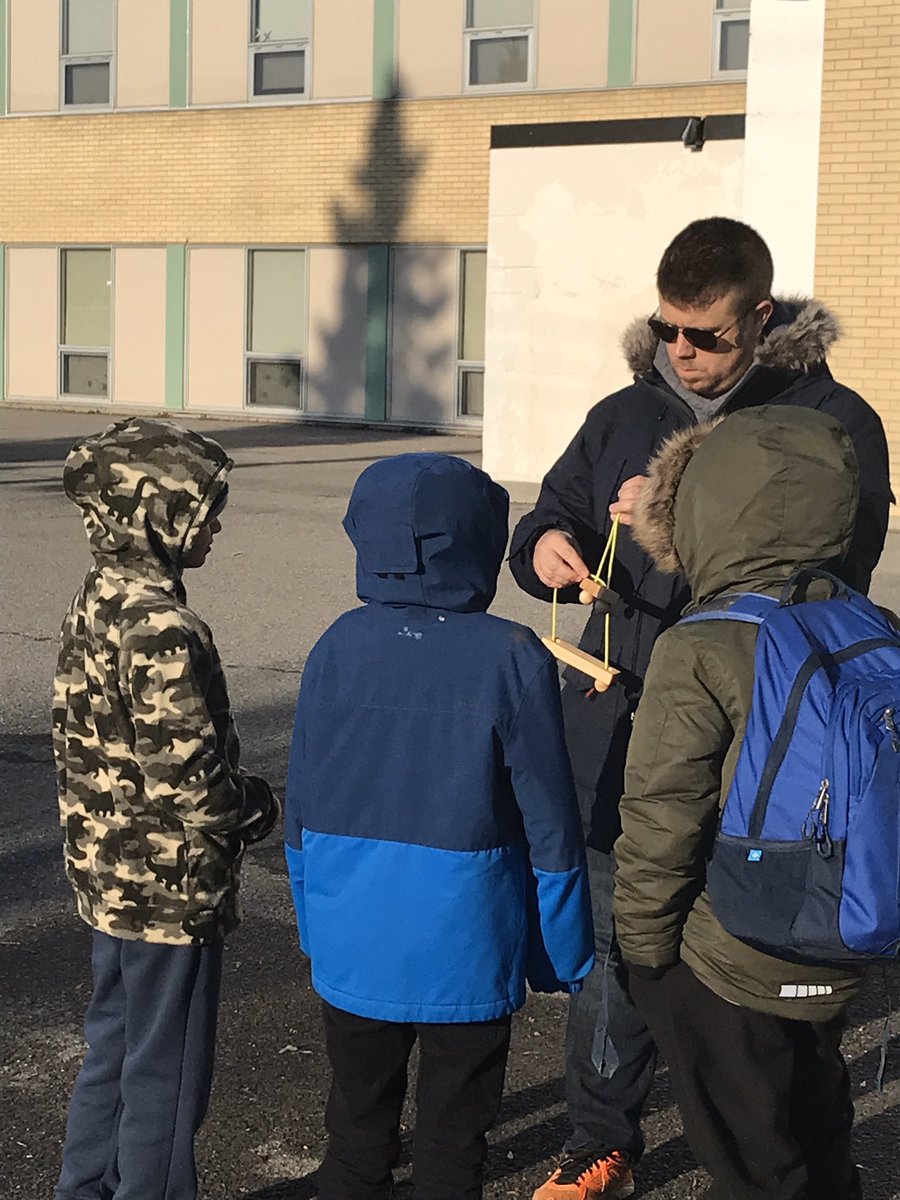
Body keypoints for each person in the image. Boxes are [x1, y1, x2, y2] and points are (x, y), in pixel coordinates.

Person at [510, 218, 891, 1200]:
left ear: (760, 317)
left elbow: (831, 584)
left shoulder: (831, 421)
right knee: (620, 957)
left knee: (781, 983)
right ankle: (599, 1142)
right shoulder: (621, 414)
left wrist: (683, 519)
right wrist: (548, 545)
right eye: (669, 330)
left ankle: (805, 1163)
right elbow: (547, 515)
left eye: (709, 335)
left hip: (773, 758)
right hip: (620, 732)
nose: (685, 352)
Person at [284, 453, 594, 1200]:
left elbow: (301, 806)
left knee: (355, 1128)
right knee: (454, 1140)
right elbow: (549, 816)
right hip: (467, 937)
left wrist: (312, 921)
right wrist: (559, 953)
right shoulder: (509, 654)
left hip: (353, 931)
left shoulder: (337, 645)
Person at [615, 405, 869, 1200]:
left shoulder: (701, 643)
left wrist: (644, 951)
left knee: (751, 1160)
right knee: (819, 1128)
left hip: (722, 956)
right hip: (838, 936)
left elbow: (663, 812)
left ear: (706, 508)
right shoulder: (871, 627)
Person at [52, 417, 280, 1200]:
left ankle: (84, 1188)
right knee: (169, 1074)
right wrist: (258, 807)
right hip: (169, 894)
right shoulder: (161, 628)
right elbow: (189, 782)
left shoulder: (99, 597)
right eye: (201, 505)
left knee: (113, 1047)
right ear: (153, 513)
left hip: (107, 879)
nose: (214, 522)